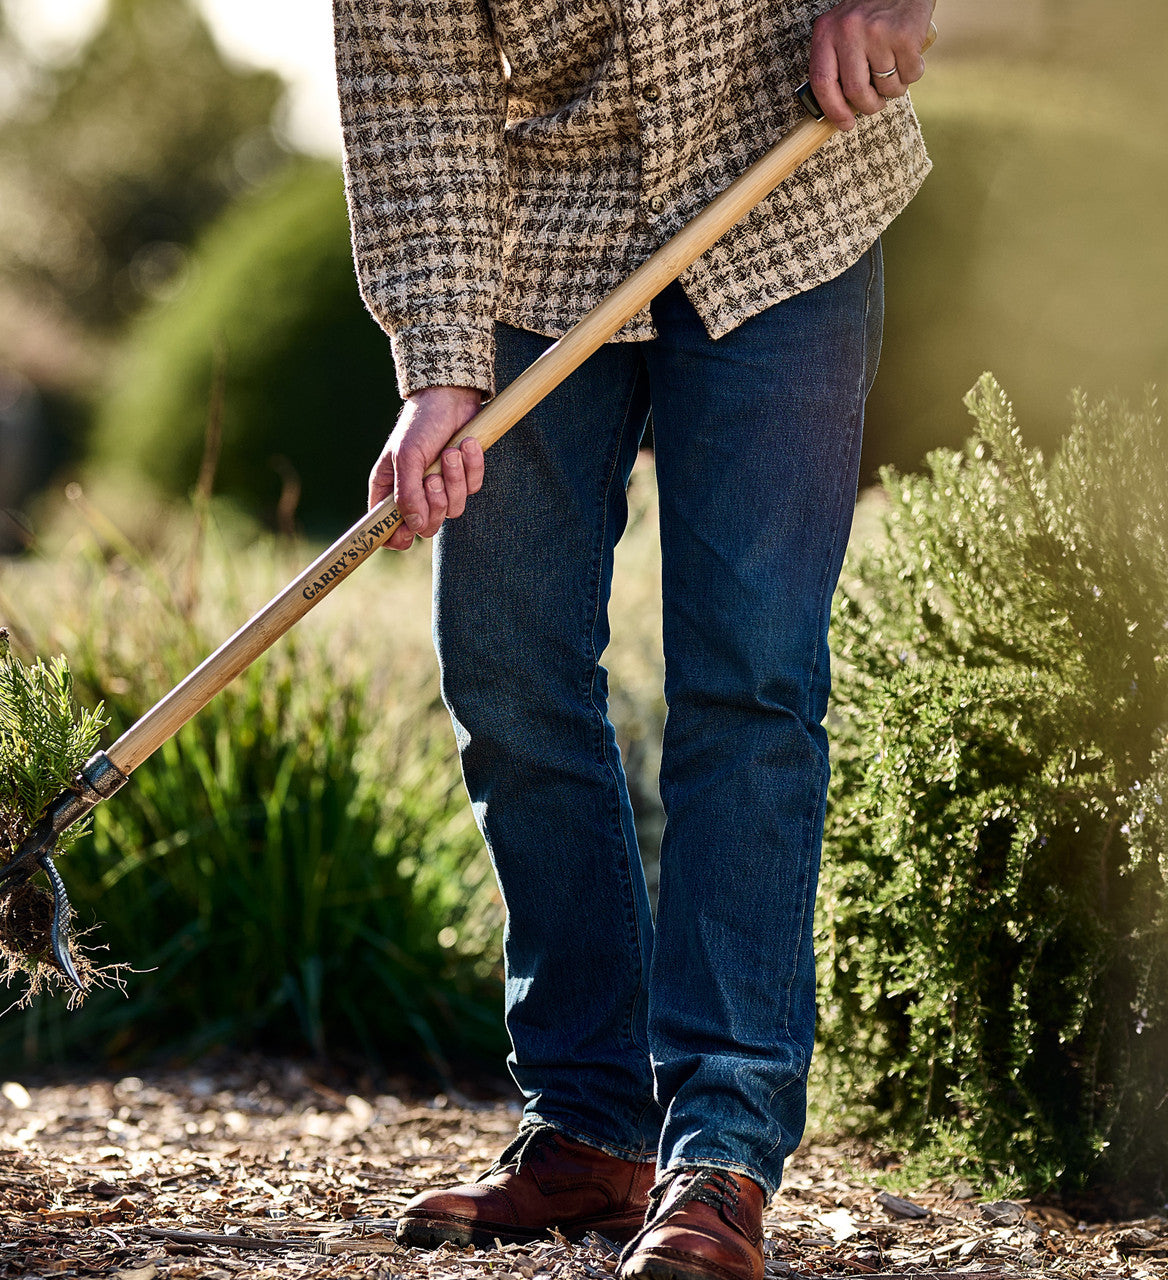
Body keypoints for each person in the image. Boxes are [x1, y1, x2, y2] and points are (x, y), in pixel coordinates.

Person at [333, 0, 934, 1275]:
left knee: (749, 678)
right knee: (505, 669)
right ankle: (590, 1125)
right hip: (537, 240)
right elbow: (410, 87)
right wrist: (437, 366)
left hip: (784, 190)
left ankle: (720, 1148)